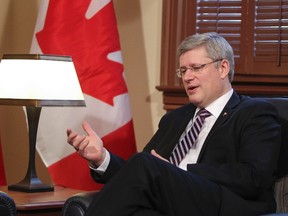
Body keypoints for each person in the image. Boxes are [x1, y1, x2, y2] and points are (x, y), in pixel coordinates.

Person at [67, 32, 282, 216]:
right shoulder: (174, 119)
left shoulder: (255, 113)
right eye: (183, 71)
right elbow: (139, 176)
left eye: (196, 68)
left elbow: (253, 177)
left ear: (223, 68)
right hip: (172, 205)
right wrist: (103, 158)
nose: (187, 77)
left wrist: (180, 170)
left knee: (144, 163)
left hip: (221, 204)